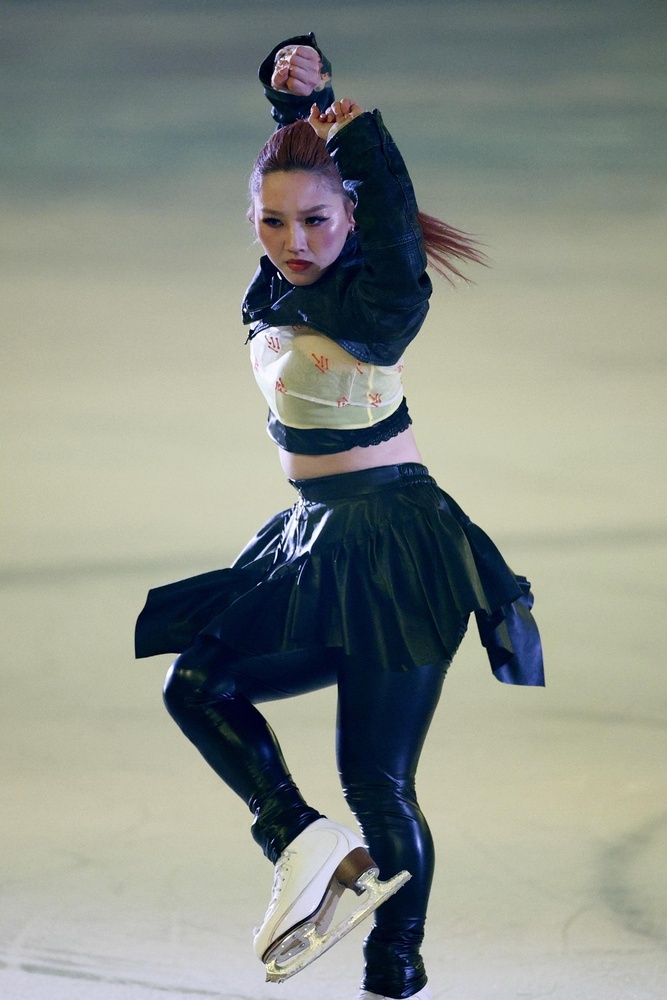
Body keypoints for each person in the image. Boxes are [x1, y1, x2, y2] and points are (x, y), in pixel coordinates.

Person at [135, 33, 544, 1000]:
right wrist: (294, 110)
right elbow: (297, 183)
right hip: (316, 537)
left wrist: (347, 125)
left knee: (377, 781)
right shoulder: (278, 283)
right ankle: (308, 844)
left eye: (317, 221)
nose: (295, 241)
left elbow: (389, 221)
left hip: (401, 548)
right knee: (199, 683)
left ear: (351, 216)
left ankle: (391, 972)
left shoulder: (381, 298)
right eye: (273, 222)